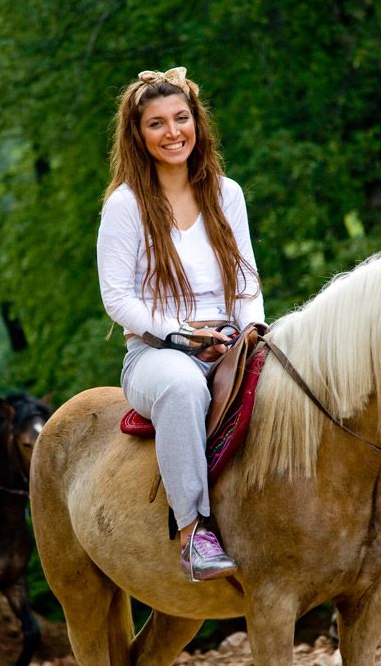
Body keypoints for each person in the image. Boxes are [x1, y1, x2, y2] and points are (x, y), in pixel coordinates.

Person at [97, 67, 265, 581]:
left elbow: (245, 280)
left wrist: (250, 334)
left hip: (230, 338)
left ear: (197, 123)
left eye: (181, 118)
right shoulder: (125, 206)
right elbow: (117, 298)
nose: (173, 132)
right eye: (156, 123)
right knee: (183, 387)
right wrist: (181, 335)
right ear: (138, 135)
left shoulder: (226, 192)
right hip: (156, 352)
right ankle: (195, 532)